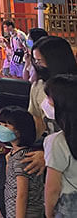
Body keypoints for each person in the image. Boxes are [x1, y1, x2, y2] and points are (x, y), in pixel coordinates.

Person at [0, 106, 44, 218]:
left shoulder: (22, 158)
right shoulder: (15, 154)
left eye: (6, 126)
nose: (1, 128)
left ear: (20, 131)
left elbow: (22, 194)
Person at [43, 74, 77, 217]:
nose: (45, 102)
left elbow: (53, 188)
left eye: (49, 99)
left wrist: (48, 213)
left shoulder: (57, 141)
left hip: (69, 205)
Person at [30, 36, 77, 137]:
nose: (37, 65)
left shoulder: (72, 86)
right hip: (51, 146)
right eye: (35, 61)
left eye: (40, 61)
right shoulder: (38, 86)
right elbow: (37, 119)